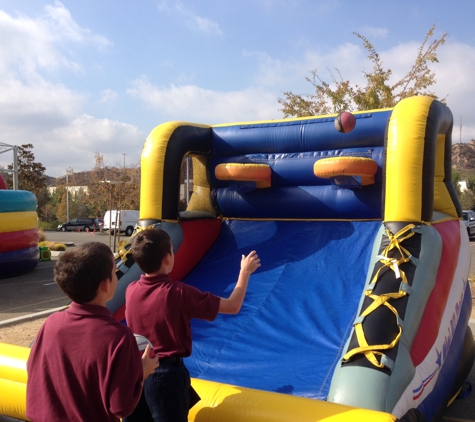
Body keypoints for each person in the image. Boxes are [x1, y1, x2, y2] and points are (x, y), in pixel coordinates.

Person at [124, 228, 261, 422]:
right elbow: (233, 305)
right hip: (167, 376)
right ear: (167, 258)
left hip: (138, 373)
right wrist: (244, 273)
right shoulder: (178, 293)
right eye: (172, 251)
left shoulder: (130, 291)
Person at [26, 242, 159, 422]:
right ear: (105, 285)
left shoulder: (51, 323)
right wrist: (141, 373)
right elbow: (121, 406)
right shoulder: (118, 337)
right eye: (114, 271)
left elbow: (32, 368)